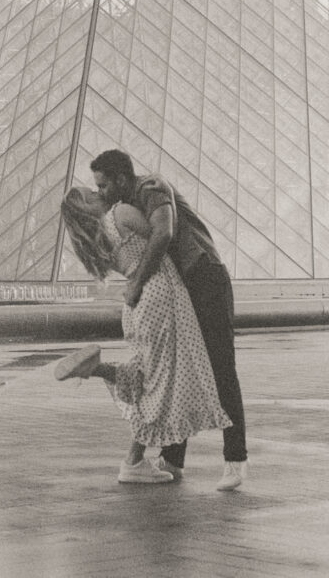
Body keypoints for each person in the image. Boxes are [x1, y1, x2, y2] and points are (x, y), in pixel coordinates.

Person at [90, 149, 249, 491]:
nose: (100, 193)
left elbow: (163, 232)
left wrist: (136, 283)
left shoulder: (151, 187)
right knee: (179, 371)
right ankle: (173, 461)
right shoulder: (126, 206)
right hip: (185, 286)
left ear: (120, 179)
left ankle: (236, 461)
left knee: (221, 368)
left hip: (204, 278)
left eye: (103, 185)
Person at [56, 187, 231, 485]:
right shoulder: (120, 214)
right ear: (86, 203)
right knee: (159, 383)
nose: (101, 191)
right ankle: (132, 461)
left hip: (136, 304)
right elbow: (164, 235)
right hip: (160, 294)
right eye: (92, 191)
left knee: (147, 374)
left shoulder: (98, 240)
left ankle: (98, 369)